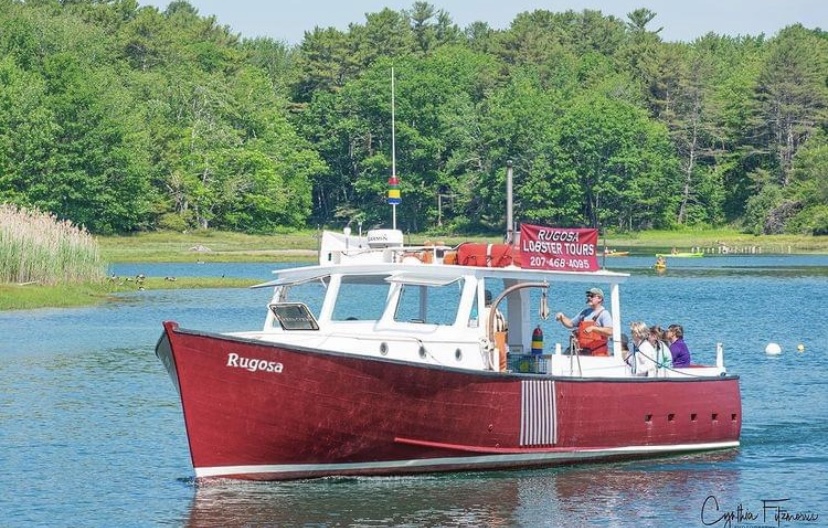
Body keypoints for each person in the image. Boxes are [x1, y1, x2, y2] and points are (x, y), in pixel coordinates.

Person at [555, 287, 613, 356]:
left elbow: (610, 331)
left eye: (591, 296)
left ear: (599, 299)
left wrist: (593, 328)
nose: (589, 297)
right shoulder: (585, 312)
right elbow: (570, 324)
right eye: (588, 296)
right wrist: (562, 317)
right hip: (584, 353)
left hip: (598, 355)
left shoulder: (604, 314)